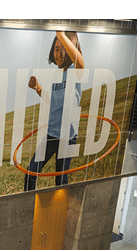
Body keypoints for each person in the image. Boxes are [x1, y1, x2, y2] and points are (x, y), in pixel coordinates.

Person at [24, 31, 84, 191]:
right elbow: (53, 102)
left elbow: (81, 63)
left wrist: (62, 36)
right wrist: (38, 89)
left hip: (67, 137)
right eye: (56, 48)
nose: (58, 53)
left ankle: (60, 213)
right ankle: (27, 208)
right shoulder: (57, 75)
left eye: (63, 48)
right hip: (52, 134)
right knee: (30, 173)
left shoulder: (74, 72)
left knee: (61, 182)